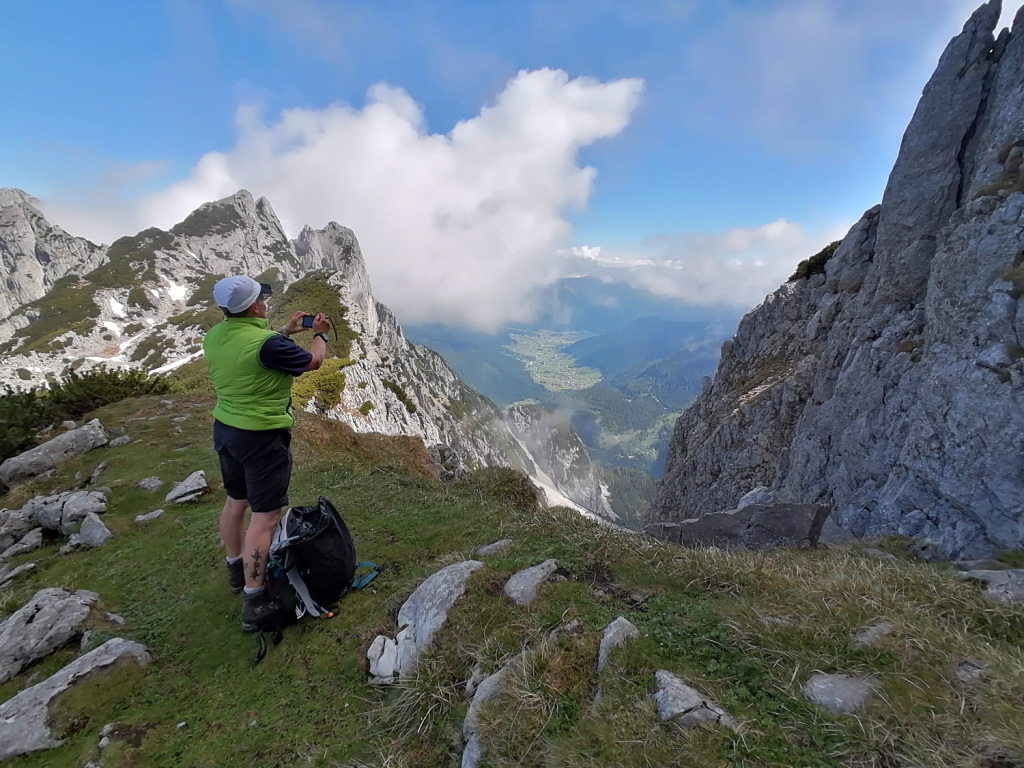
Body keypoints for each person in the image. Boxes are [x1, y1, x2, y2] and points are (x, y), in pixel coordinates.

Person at [203, 275, 331, 631]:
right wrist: (320, 333)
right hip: (261, 437)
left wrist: (286, 332)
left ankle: (235, 567)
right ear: (256, 306)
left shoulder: (214, 336)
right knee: (266, 517)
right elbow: (313, 362)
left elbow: (255, 349)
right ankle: (255, 597)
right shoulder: (267, 344)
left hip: (226, 430)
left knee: (235, 502)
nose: (266, 303)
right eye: (263, 299)